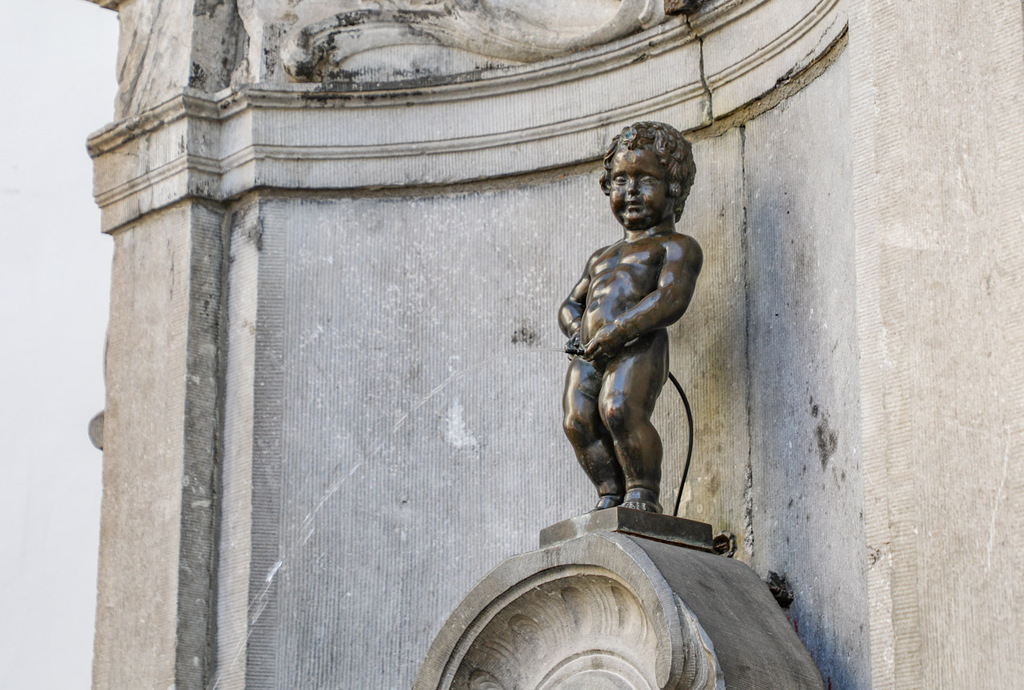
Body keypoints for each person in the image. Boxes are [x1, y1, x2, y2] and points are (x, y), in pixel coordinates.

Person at [559, 121, 702, 513]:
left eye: (645, 180)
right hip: (589, 351)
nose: (631, 192)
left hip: (638, 344)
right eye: (620, 180)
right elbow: (571, 305)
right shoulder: (601, 256)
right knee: (577, 420)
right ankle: (609, 494)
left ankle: (642, 492)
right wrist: (576, 332)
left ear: (673, 187)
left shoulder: (676, 246)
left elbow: (672, 297)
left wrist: (618, 332)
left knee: (619, 409)